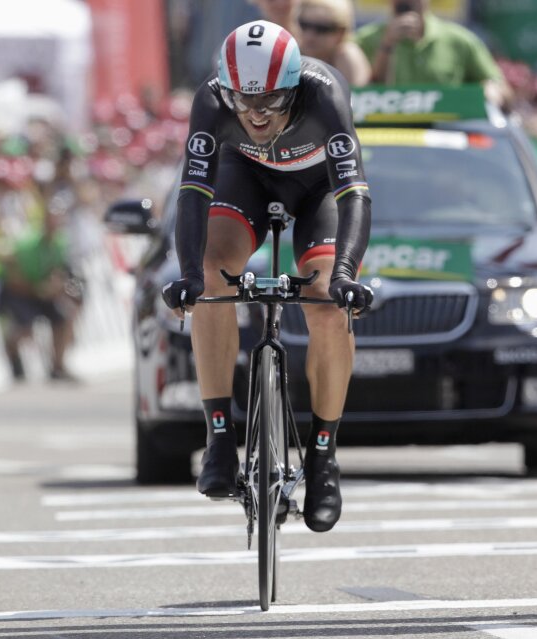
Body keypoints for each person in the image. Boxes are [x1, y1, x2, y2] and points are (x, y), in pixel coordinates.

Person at [161, 20, 372, 533]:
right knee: (212, 277)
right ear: (225, 88)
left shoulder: (324, 95)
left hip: (318, 188)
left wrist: (343, 274)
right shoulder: (212, 101)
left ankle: (323, 457)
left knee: (326, 302)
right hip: (247, 178)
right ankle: (217, 435)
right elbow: (192, 193)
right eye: (243, 101)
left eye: (272, 101)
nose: (255, 114)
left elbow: (354, 195)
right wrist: (189, 273)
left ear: (295, 87)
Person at [355, 0, 512, 107]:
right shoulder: (364, 40)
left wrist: (491, 90)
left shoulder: (459, 40)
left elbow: (500, 87)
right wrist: (387, 45)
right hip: (385, 136)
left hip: (446, 139)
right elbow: (361, 95)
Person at [0, 207, 81, 383]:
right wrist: (37, 290)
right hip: (19, 291)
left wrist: (55, 287)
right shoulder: (27, 245)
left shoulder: (59, 243)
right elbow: (13, 275)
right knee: (24, 329)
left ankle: (57, 365)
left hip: (41, 290)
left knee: (63, 318)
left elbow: (59, 270)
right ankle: (12, 353)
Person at [298, 0, 371, 86]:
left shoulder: (347, 54)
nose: (309, 36)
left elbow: (355, 96)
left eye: (321, 29)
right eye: (304, 25)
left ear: (341, 33)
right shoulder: (291, 52)